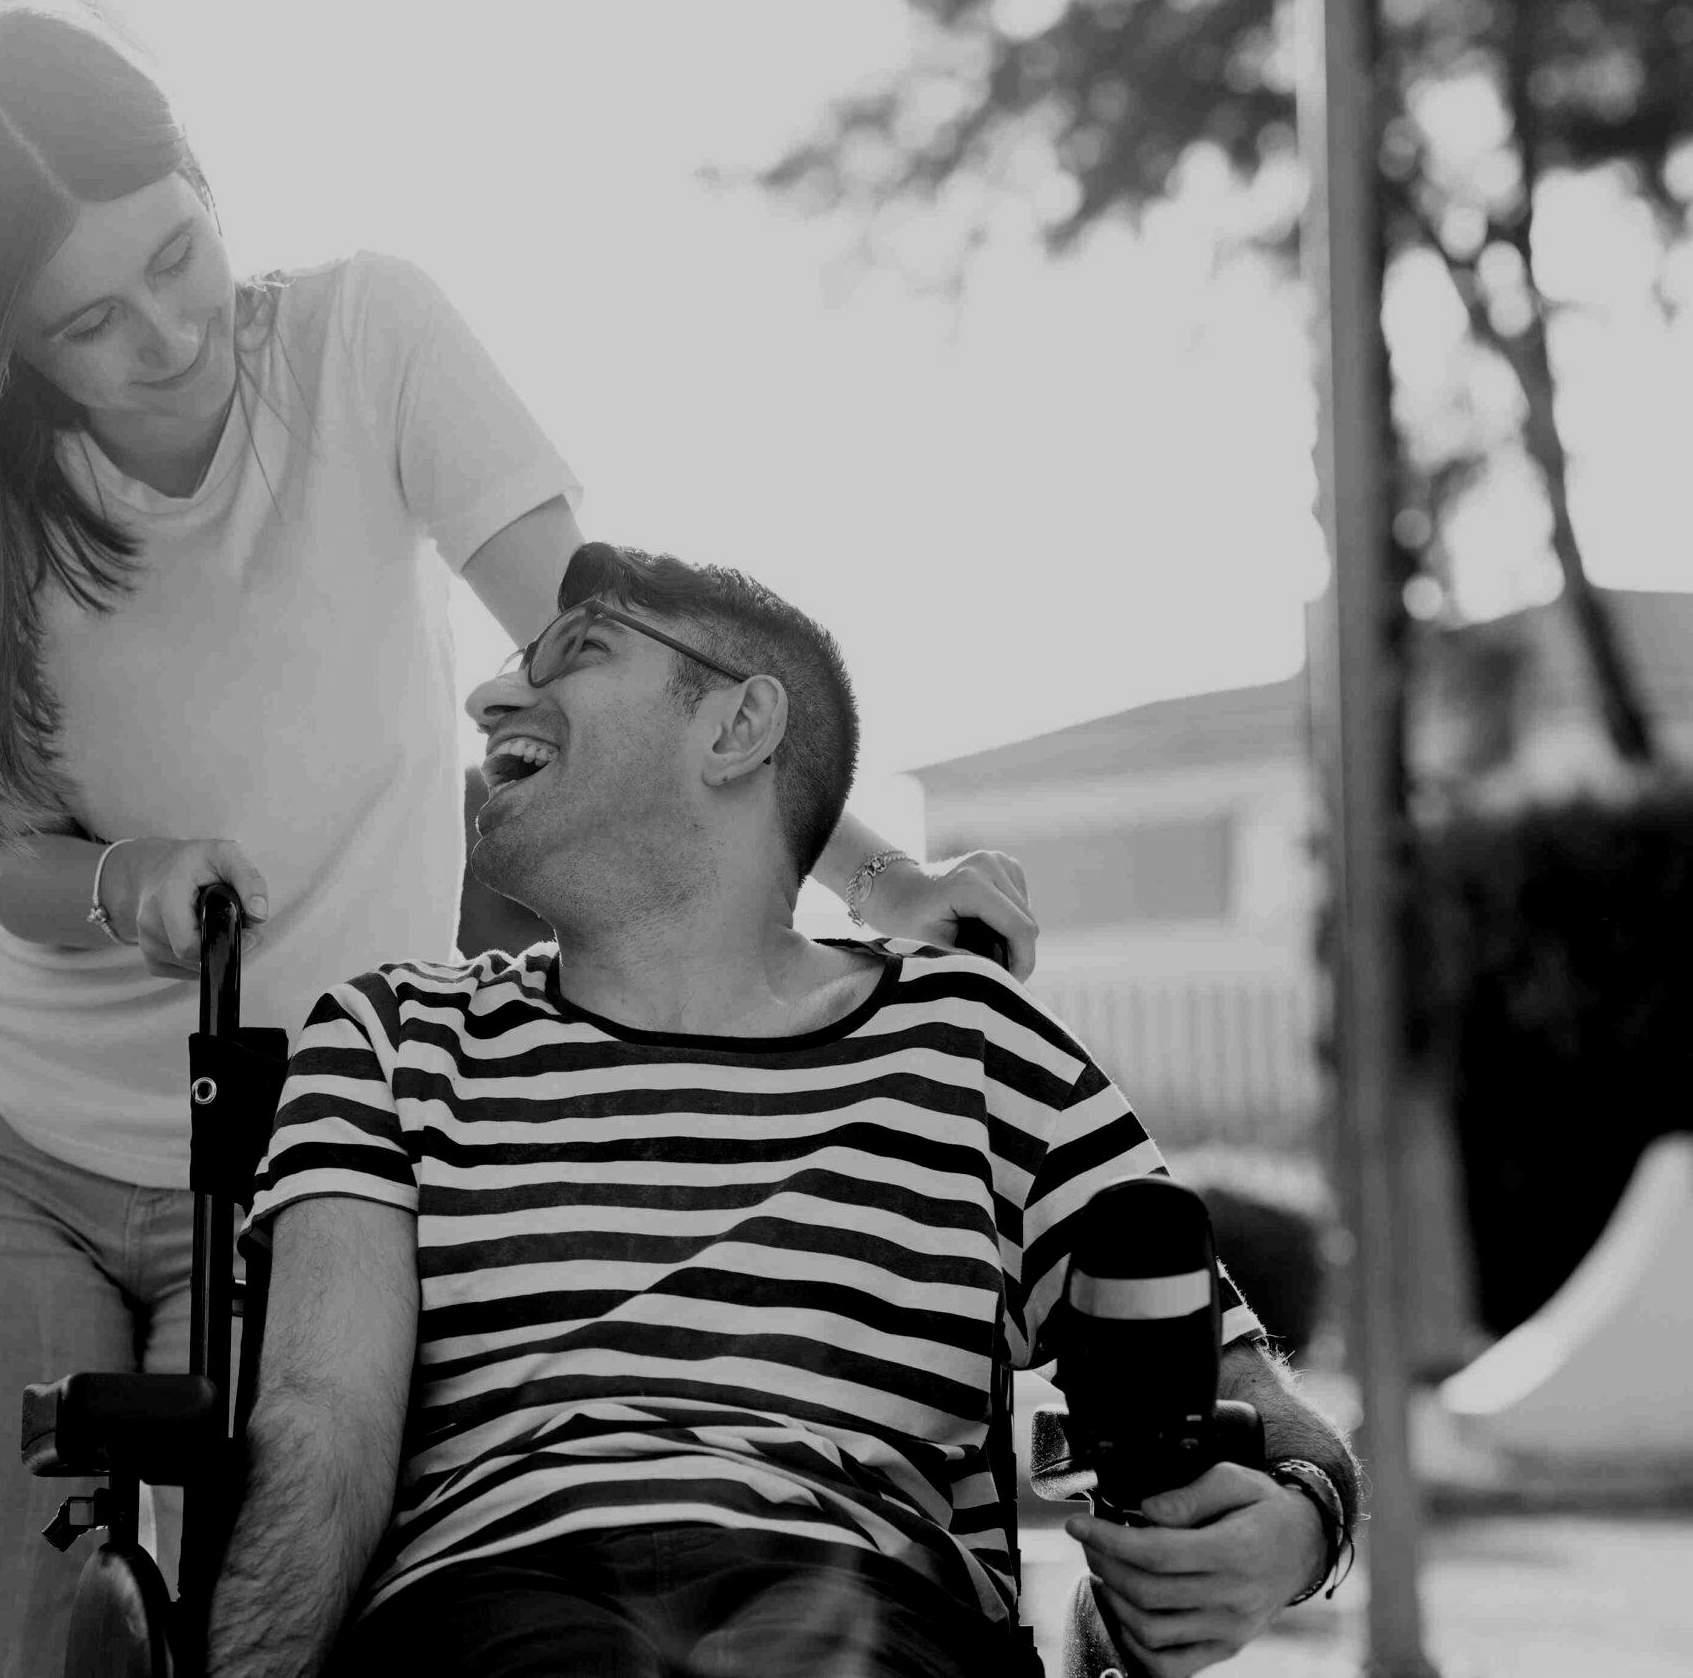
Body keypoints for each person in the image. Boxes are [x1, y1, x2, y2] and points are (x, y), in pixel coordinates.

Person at [0, 0, 1040, 1678]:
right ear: (1, 350)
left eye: (176, 254)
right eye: (87, 322)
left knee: (251, 1633)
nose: (166, 336)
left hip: (282, 1154)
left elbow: (601, 660)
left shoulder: (368, 340)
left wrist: (880, 878)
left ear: (201, 175)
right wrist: (123, 879)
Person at [208, 545, 1362, 1678]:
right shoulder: (388, 1038)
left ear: (737, 728)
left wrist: (1291, 1528)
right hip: (496, 1600)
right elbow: (323, 1427)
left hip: (869, 1601)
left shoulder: (971, 1042)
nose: (489, 691)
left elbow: (1246, 1394)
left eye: (575, 653)